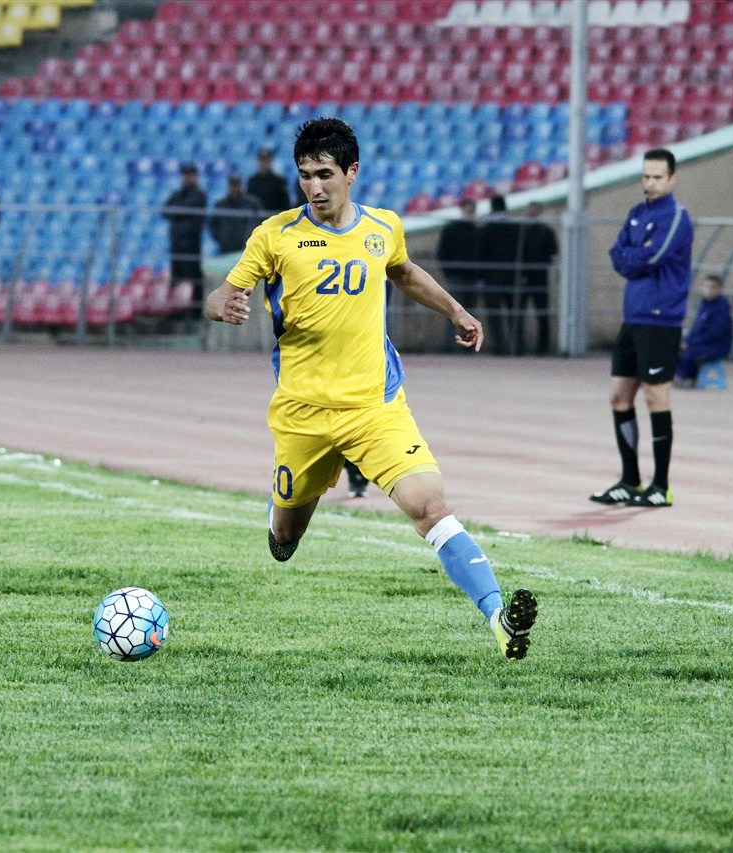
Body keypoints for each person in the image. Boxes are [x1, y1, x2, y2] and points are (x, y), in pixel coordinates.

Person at [204, 117, 538, 660]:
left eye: (325, 174)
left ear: (351, 171)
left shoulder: (383, 227)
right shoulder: (275, 235)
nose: (314, 187)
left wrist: (456, 311)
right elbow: (220, 294)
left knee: (429, 506)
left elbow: (403, 272)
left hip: (375, 408)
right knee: (285, 538)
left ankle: (498, 617)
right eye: (305, 175)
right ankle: (280, 511)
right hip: (303, 413)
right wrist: (222, 305)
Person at [590, 147, 694, 508]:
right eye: (646, 176)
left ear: (672, 179)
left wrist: (636, 256)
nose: (650, 183)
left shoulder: (677, 217)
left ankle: (661, 486)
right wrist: (637, 256)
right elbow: (618, 256)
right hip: (633, 317)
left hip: (661, 319)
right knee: (619, 397)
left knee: (655, 398)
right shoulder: (637, 213)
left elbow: (653, 256)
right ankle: (630, 480)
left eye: (657, 177)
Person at [477, 194, 524, 355]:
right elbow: (522, 252)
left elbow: (481, 254)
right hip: (513, 276)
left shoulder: (486, 229)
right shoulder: (516, 228)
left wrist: (481, 277)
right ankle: (517, 347)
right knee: (515, 315)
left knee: (494, 316)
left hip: (491, 277)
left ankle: (499, 348)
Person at [162, 162, 208, 309]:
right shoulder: (177, 194)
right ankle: (176, 310)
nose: (187, 178)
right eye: (185, 175)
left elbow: (183, 208)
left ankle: (196, 310)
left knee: (194, 278)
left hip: (191, 243)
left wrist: (178, 212)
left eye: (190, 175)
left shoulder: (199, 194)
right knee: (176, 277)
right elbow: (165, 210)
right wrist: (182, 212)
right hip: (177, 242)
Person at [674, 273, 732, 387]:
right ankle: (679, 376)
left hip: (716, 346)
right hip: (701, 343)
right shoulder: (704, 305)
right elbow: (696, 329)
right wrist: (686, 341)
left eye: (713, 287)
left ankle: (688, 378)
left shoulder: (721, 308)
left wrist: (690, 343)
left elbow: (715, 333)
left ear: (720, 289)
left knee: (689, 353)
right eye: (706, 287)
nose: (709, 290)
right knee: (674, 347)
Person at [517, 202, 559, 355]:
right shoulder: (522, 231)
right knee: (519, 313)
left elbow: (553, 251)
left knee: (542, 313)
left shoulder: (545, 231)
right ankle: (518, 346)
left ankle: (543, 346)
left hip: (539, 276)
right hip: (524, 276)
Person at [435, 198, 481, 316]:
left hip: (472, 278)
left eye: (472, 211)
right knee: (453, 311)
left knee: (471, 313)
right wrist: (449, 273)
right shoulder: (451, 230)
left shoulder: (477, 231)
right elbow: (442, 253)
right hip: (455, 277)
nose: (470, 213)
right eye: (468, 210)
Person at [208, 174, 263, 254]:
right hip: (226, 247)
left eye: (236, 185)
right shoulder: (220, 204)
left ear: (241, 186)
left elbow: (260, 221)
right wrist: (221, 239)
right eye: (232, 185)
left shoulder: (251, 203)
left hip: (246, 247)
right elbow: (213, 224)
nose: (234, 188)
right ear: (228, 186)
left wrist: (252, 238)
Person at [247, 146, 291, 217]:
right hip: (256, 219)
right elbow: (248, 202)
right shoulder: (252, 180)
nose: (263, 163)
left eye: (266, 160)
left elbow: (285, 204)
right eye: (261, 160)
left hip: (274, 218)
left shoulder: (279, 180)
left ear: (271, 162)